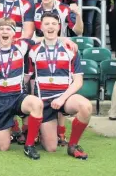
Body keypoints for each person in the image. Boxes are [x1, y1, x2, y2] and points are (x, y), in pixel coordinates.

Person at [28, 12, 91, 159]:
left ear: (59, 26)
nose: (50, 27)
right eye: (47, 24)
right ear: (41, 27)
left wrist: (62, 99)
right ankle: (40, 131)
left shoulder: (71, 49)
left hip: (64, 97)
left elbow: (78, 81)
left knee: (86, 106)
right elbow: (30, 79)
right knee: (51, 148)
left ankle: (73, 145)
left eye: (54, 24)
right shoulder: (32, 50)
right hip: (44, 101)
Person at [0, 17, 43, 160]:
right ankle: (11, 129)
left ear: (14, 33)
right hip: (0, 99)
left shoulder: (22, 45)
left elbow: (44, 38)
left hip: (18, 96)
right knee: (4, 147)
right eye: (1, 29)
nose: (4, 31)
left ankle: (29, 145)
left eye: (8, 29)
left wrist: (64, 40)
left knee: (36, 104)